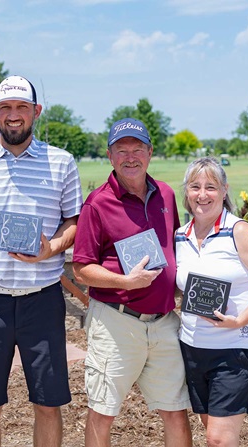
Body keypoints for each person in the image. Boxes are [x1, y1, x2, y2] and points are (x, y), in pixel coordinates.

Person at [0, 75, 83, 447]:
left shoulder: (61, 162)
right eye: (5, 107)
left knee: (48, 403)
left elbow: (74, 221)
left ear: (36, 112)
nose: (13, 115)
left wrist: (51, 248)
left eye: (21, 107)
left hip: (42, 299)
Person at [72, 118, 192, 447]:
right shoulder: (97, 203)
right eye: (121, 150)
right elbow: (82, 268)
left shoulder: (165, 194)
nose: (130, 157)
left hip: (165, 322)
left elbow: (176, 247)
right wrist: (126, 280)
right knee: (103, 411)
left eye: (137, 149)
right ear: (110, 156)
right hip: (116, 321)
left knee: (176, 410)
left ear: (150, 153)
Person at [175, 156, 248, 447]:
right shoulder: (180, 236)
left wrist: (239, 320)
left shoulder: (238, 231)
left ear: (225, 191)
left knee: (218, 439)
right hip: (192, 349)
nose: (202, 195)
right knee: (209, 430)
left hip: (235, 350)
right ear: (186, 192)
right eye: (195, 186)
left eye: (211, 187)